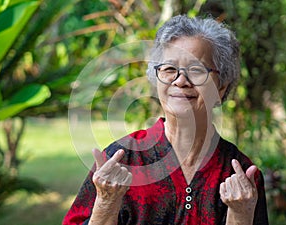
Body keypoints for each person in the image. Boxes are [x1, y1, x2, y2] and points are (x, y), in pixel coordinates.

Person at [63, 15, 269, 225]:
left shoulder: (241, 176)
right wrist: (106, 202)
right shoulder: (121, 160)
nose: (180, 81)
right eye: (170, 69)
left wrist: (241, 214)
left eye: (196, 70)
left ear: (221, 87)